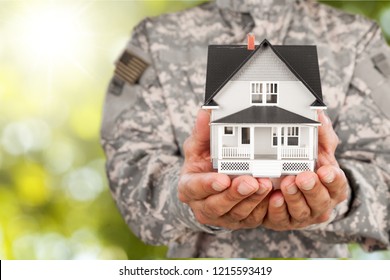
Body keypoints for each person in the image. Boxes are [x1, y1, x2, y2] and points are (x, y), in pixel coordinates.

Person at [100, 0, 390, 258]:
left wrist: (342, 194)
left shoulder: (357, 39)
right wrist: (187, 196)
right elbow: (129, 164)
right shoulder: (155, 39)